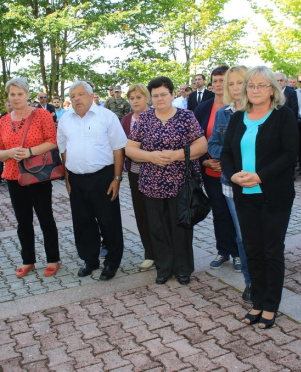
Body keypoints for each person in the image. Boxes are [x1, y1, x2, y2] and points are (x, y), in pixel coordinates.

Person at [221, 66, 298, 329]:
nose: (255, 90)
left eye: (261, 85)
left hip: (274, 195)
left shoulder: (283, 115)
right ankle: (257, 301)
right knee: (252, 249)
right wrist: (233, 176)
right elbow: (227, 154)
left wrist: (260, 176)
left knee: (271, 251)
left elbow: (289, 155)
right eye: (251, 86)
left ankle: (271, 306)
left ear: (273, 89)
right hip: (244, 195)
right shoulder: (237, 117)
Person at [125, 76, 207, 285]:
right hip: (151, 183)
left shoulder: (186, 117)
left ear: (172, 94)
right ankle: (163, 268)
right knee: (157, 227)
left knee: (181, 226)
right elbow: (130, 148)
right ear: (150, 98)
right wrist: (151, 156)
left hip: (181, 183)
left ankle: (183, 268)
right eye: (155, 96)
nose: (159, 99)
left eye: (163, 94)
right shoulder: (143, 119)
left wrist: (175, 154)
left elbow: (201, 146)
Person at [58, 81, 126, 281]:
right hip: (76, 179)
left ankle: (112, 262)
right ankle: (90, 260)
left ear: (90, 95)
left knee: (109, 222)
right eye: (73, 96)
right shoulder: (65, 120)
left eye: (81, 94)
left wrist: (117, 178)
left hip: (103, 177)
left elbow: (118, 148)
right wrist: (68, 180)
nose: (76, 99)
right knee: (83, 223)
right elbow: (63, 149)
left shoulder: (106, 116)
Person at [0, 78, 61, 278]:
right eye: (12, 94)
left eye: (20, 94)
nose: (16, 98)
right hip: (14, 177)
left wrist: (29, 151)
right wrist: (10, 153)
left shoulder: (41, 115)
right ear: (8, 96)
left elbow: (52, 141)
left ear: (27, 94)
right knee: (23, 221)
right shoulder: (4, 120)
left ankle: (53, 259)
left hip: (38, 175)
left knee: (45, 218)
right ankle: (28, 260)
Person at [208, 65, 252, 303]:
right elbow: (212, 144)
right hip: (231, 185)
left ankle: (265, 278)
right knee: (243, 235)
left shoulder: (263, 111)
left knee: (261, 234)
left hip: (259, 183)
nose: (236, 88)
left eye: (240, 82)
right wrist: (229, 158)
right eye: (231, 84)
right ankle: (250, 283)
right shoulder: (223, 113)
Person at [193, 66, 240, 272]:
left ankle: (240, 253)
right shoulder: (203, 108)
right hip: (211, 170)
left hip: (235, 173)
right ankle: (223, 250)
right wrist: (204, 161)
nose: (219, 85)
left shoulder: (238, 107)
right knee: (220, 213)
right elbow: (195, 139)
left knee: (236, 213)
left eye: (223, 80)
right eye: (216, 80)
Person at [121, 84, 154, 270]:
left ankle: (164, 250)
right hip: (135, 173)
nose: (135, 101)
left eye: (139, 97)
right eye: (132, 97)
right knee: (141, 213)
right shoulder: (126, 120)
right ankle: (149, 252)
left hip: (156, 172)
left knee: (158, 213)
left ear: (147, 98)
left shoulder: (155, 115)